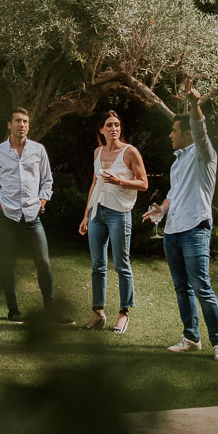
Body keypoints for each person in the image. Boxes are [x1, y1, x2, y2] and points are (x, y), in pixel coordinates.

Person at [144, 81, 218, 361]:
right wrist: (161, 210)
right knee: (182, 287)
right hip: (172, 233)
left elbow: (200, 131)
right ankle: (191, 337)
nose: (170, 135)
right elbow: (174, 193)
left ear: (186, 133)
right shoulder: (177, 161)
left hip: (195, 230)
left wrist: (194, 106)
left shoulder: (205, 155)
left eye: (173, 130)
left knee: (201, 286)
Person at [0, 107, 71, 324]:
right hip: (7, 216)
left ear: (28, 126)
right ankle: (13, 311)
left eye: (25, 122)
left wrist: (42, 202)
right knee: (7, 264)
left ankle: (51, 311)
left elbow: (47, 181)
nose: (22, 125)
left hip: (32, 216)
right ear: (9, 125)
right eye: (17, 121)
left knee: (43, 261)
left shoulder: (38, 150)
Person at [78, 110, 148, 333]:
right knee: (98, 265)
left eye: (117, 125)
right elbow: (94, 184)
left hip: (119, 214)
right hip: (97, 213)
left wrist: (119, 181)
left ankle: (124, 313)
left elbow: (144, 183)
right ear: (101, 129)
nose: (114, 129)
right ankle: (98, 313)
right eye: (109, 125)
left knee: (121, 264)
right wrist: (87, 214)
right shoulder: (98, 152)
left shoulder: (130, 152)